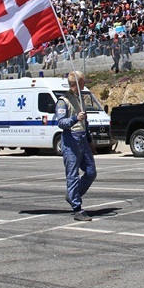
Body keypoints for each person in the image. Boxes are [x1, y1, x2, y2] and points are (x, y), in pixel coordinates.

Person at [55, 71, 97, 221]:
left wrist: (90, 139)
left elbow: (85, 122)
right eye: (83, 81)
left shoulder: (81, 99)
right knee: (72, 175)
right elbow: (61, 122)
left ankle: (73, 194)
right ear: (77, 83)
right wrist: (75, 118)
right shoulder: (63, 101)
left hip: (83, 138)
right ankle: (77, 208)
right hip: (70, 139)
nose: (84, 84)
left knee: (91, 172)